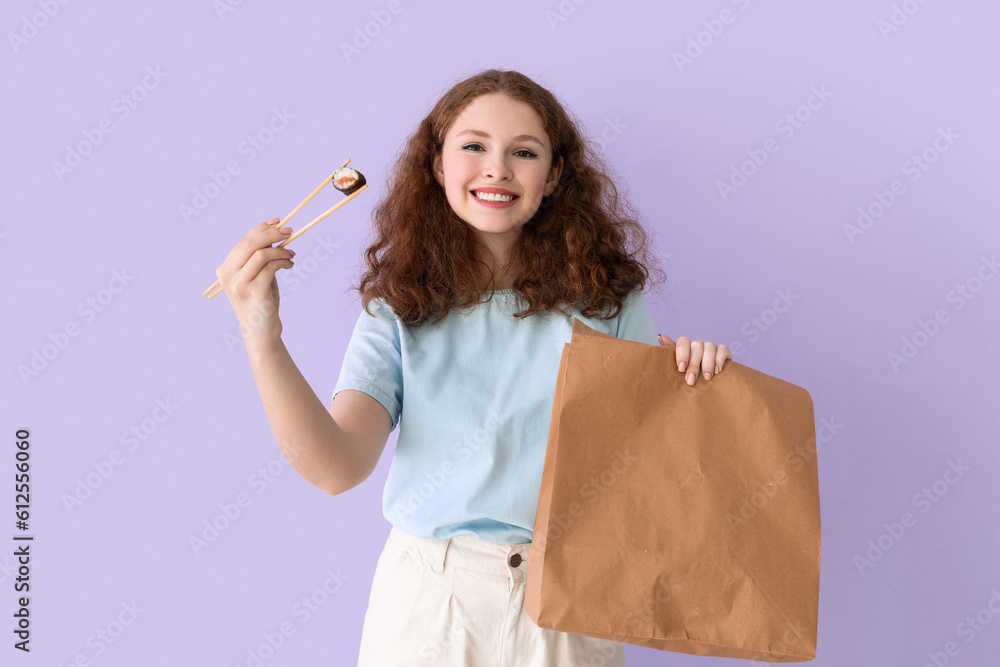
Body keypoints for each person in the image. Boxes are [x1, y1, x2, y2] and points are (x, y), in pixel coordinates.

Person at [215, 68, 732, 666]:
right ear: (437, 166)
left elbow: (647, 483)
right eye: (473, 146)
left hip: (566, 606)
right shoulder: (398, 309)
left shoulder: (607, 302)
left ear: (555, 174)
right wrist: (263, 337)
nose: (497, 168)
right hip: (431, 605)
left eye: (524, 152)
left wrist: (697, 386)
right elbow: (337, 466)